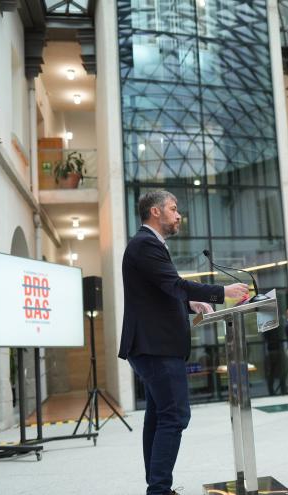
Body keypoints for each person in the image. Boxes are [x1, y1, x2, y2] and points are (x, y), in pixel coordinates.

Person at [118, 190, 249, 495]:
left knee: (159, 416)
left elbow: (162, 291)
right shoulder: (145, 244)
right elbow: (174, 284)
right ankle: (159, 490)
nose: (178, 216)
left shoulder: (148, 245)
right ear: (154, 212)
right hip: (156, 348)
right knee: (175, 415)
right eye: (173, 209)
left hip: (153, 346)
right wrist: (222, 292)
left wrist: (190, 303)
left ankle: (158, 487)